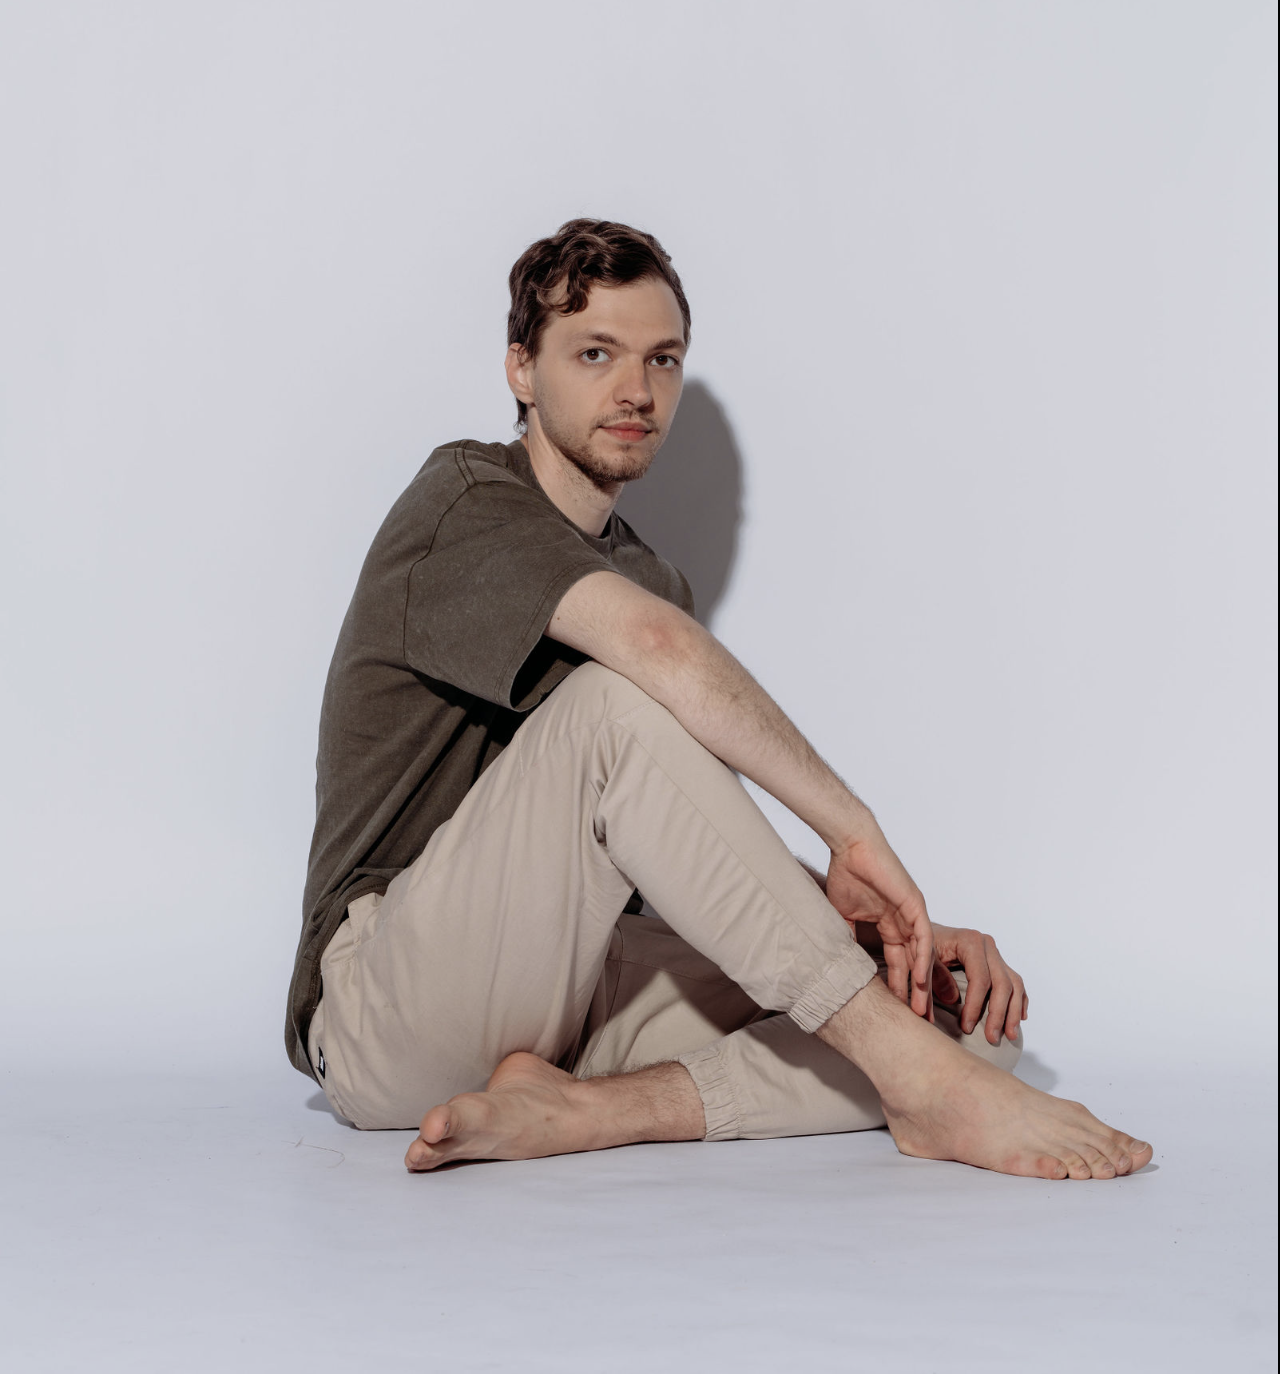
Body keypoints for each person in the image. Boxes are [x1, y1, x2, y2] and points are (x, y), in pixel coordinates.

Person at [286, 219, 1152, 1181]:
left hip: (572, 992)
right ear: (520, 372)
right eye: (595, 353)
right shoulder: (463, 505)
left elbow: (678, 843)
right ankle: (922, 1087)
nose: (636, 390)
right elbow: (652, 660)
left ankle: (583, 1113)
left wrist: (866, 927)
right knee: (622, 703)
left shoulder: (648, 579)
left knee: (950, 1020)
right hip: (383, 1008)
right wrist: (853, 833)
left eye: (663, 359)